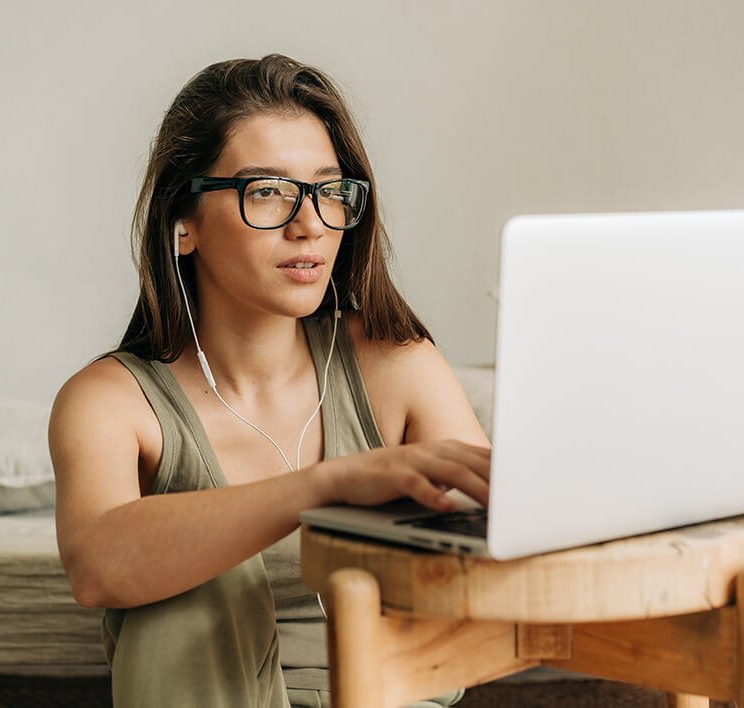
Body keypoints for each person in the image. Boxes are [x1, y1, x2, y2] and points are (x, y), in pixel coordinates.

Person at [48, 54, 492, 707]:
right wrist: (327, 485)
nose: (308, 223)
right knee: (190, 584)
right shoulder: (111, 402)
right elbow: (97, 569)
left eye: (329, 190)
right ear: (183, 222)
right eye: (267, 192)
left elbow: (496, 569)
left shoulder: (397, 365)